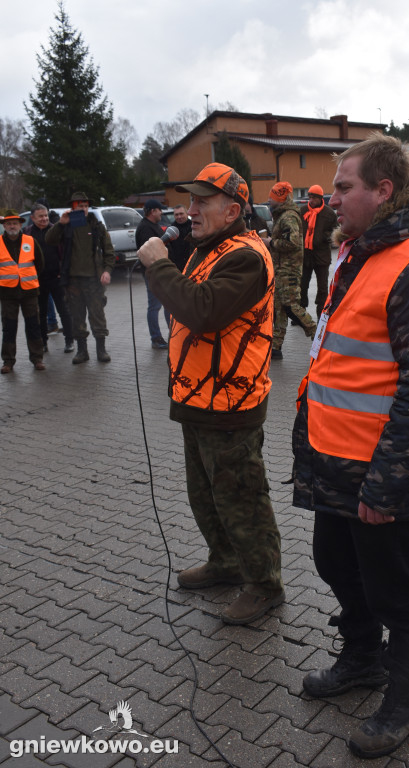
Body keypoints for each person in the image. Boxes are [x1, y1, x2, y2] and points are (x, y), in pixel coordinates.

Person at [292, 134, 409, 758]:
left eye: (343, 188)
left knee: (399, 590)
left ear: (383, 191)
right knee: (335, 564)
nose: (331, 199)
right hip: (335, 459)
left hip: (387, 473)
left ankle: (405, 702)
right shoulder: (360, 253)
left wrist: (387, 483)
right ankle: (363, 658)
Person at [138, 162, 284, 625]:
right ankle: (225, 562)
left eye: (202, 202)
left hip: (231, 404)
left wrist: (159, 264)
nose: (190, 210)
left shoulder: (245, 256)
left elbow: (201, 311)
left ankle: (264, 584)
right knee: (205, 494)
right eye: (190, 200)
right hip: (198, 400)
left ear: (233, 210)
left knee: (241, 497)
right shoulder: (208, 248)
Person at [46, 191, 115, 364]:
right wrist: (61, 224)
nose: (83, 209)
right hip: (73, 281)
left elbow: (109, 252)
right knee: (77, 317)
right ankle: (82, 351)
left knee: (97, 316)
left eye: (85, 205)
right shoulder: (67, 225)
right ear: (72, 208)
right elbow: (50, 240)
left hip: (94, 281)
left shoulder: (96, 226)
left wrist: (107, 270)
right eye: (79, 206)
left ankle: (101, 350)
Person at [264, 181, 316, 359]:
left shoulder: (288, 217)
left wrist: (270, 242)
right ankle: (276, 347)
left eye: (272, 198)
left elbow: (292, 242)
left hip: (289, 270)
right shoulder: (282, 215)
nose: (269, 201)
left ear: (281, 198)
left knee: (291, 307)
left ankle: (318, 336)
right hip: (281, 269)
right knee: (279, 308)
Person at [24, 203, 74, 355]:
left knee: (64, 310)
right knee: (41, 313)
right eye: (40, 216)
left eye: (46, 215)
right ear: (32, 218)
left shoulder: (56, 230)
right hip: (37, 279)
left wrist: (63, 272)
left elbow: (66, 252)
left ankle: (69, 340)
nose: (44, 218)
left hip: (57, 277)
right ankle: (43, 343)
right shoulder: (27, 233)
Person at [0, 210, 45, 373]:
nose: (12, 226)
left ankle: (37, 359)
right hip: (7, 293)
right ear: (4, 226)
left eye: (15, 223)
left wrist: (28, 277)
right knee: (9, 327)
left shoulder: (30, 241)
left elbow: (40, 263)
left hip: (29, 292)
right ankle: (8, 361)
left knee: (33, 325)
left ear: (20, 225)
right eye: (9, 223)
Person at [135, 199, 170, 349]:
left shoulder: (152, 225)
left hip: (161, 273)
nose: (161, 212)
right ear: (152, 211)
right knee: (155, 306)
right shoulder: (145, 228)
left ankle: (174, 333)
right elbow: (150, 254)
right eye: (159, 210)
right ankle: (156, 338)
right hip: (153, 274)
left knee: (169, 304)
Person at [299, 184, 337, 318]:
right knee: (302, 287)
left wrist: (326, 236)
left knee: (322, 289)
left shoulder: (329, 213)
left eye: (314, 197)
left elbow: (335, 230)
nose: (311, 200)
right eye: (309, 197)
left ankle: (321, 314)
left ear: (320, 198)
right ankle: (300, 315)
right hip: (305, 256)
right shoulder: (302, 211)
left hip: (322, 257)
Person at [168, 204, 192, 272]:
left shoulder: (194, 226)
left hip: (192, 264)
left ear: (187, 214)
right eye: (176, 214)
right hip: (177, 266)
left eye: (181, 214)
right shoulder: (171, 229)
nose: (179, 217)